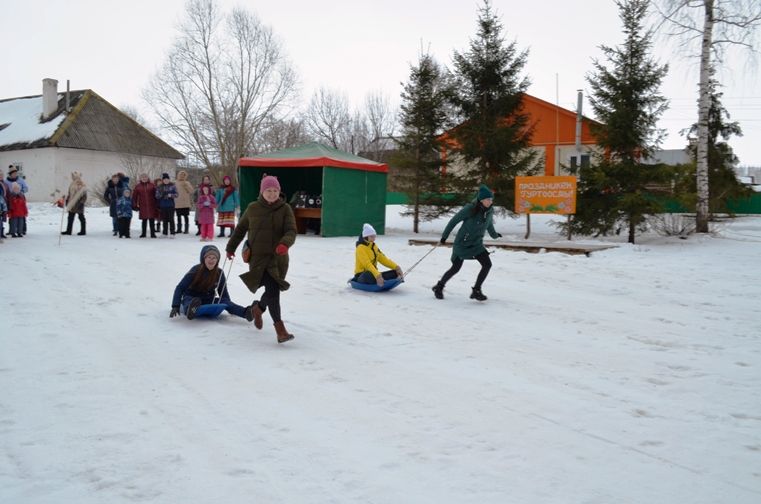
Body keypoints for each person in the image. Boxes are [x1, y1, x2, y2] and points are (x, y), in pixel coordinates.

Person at [225, 175, 297, 343]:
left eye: (275, 191)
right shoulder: (252, 208)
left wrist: (285, 244)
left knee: (273, 291)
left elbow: (291, 231)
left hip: (278, 258)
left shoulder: (285, 209)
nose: (272, 194)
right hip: (257, 259)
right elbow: (240, 230)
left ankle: (258, 308)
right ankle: (280, 330)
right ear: (262, 191)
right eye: (268, 190)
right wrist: (230, 248)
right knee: (273, 290)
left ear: (279, 192)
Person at [432, 184, 502, 301]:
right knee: (456, 268)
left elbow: (489, 224)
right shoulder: (470, 209)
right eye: (488, 199)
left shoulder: (490, 210)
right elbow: (453, 221)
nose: (490, 202)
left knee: (487, 265)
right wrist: (444, 237)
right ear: (481, 200)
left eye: (491, 199)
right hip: (462, 243)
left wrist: (495, 235)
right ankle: (439, 287)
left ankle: (476, 290)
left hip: (477, 244)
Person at [170, 245, 255, 322]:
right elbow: (180, 287)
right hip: (192, 297)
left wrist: (230, 307)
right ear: (204, 259)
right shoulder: (195, 270)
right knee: (188, 300)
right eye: (209, 257)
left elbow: (223, 293)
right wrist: (175, 305)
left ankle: (246, 312)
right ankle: (191, 309)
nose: (211, 260)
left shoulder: (219, 273)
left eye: (214, 258)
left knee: (224, 301)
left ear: (217, 260)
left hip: (209, 298)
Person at [61, 171, 87, 236]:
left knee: (81, 217)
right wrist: (67, 200)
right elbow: (69, 194)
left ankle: (83, 231)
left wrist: (81, 203)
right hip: (71, 203)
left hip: (79, 204)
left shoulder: (82, 185)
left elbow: (84, 196)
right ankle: (68, 231)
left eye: (73, 176)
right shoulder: (72, 184)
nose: (72, 177)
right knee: (70, 217)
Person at [131, 173, 157, 238]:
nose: (144, 178)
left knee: (152, 220)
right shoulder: (138, 186)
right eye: (143, 177)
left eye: (145, 177)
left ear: (148, 178)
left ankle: (153, 234)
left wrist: (157, 204)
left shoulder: (152, 185)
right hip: (142, 205)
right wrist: (134, 205)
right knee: (144, 220)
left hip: (151, 205)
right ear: (140, 178)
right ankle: (143, 233)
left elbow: (156, 195)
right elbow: (134, 196)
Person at [6, 165, 28, 235]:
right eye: (14, 173)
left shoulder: (21, 180)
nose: (15, 174)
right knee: (12, 215)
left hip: (20, 198)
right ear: (10, 174)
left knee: (21, 215)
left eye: (16, 173)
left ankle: (22, 230)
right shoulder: (6, 181)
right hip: (11, 199)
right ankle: (11, 230)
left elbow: (26, 188)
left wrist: (20, 192)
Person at [155, 173, 178, 237]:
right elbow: (157, 196)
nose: (166, 180)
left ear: (169, 179)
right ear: (162, 180)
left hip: (171, 205)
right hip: (163, 205)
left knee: (171, 219)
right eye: (164, 179)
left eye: (167, 179)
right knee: (164, 219)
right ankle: (164, 233)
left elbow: (177, 194)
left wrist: (170, 195)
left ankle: (172, 232)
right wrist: (162, 195)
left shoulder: (173, 186)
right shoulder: (160, 186)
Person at [174, 170, 194, 234]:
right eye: (180, 175)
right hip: (177, 202)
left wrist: (186, 185)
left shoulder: (187, 183)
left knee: (186, 216)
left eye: (183, 175)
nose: (181, 176)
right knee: (178, 216)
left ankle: (186, 229)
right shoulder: (175, 182)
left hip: (185, 202)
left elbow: (191, 191)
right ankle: (179, 229)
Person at [0, 168, 7, 241]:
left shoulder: (3, 184)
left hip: (2, 205)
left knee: (1, 222)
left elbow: (4, 194)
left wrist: (4, 209)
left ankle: (1, 234)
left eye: (2, 175)